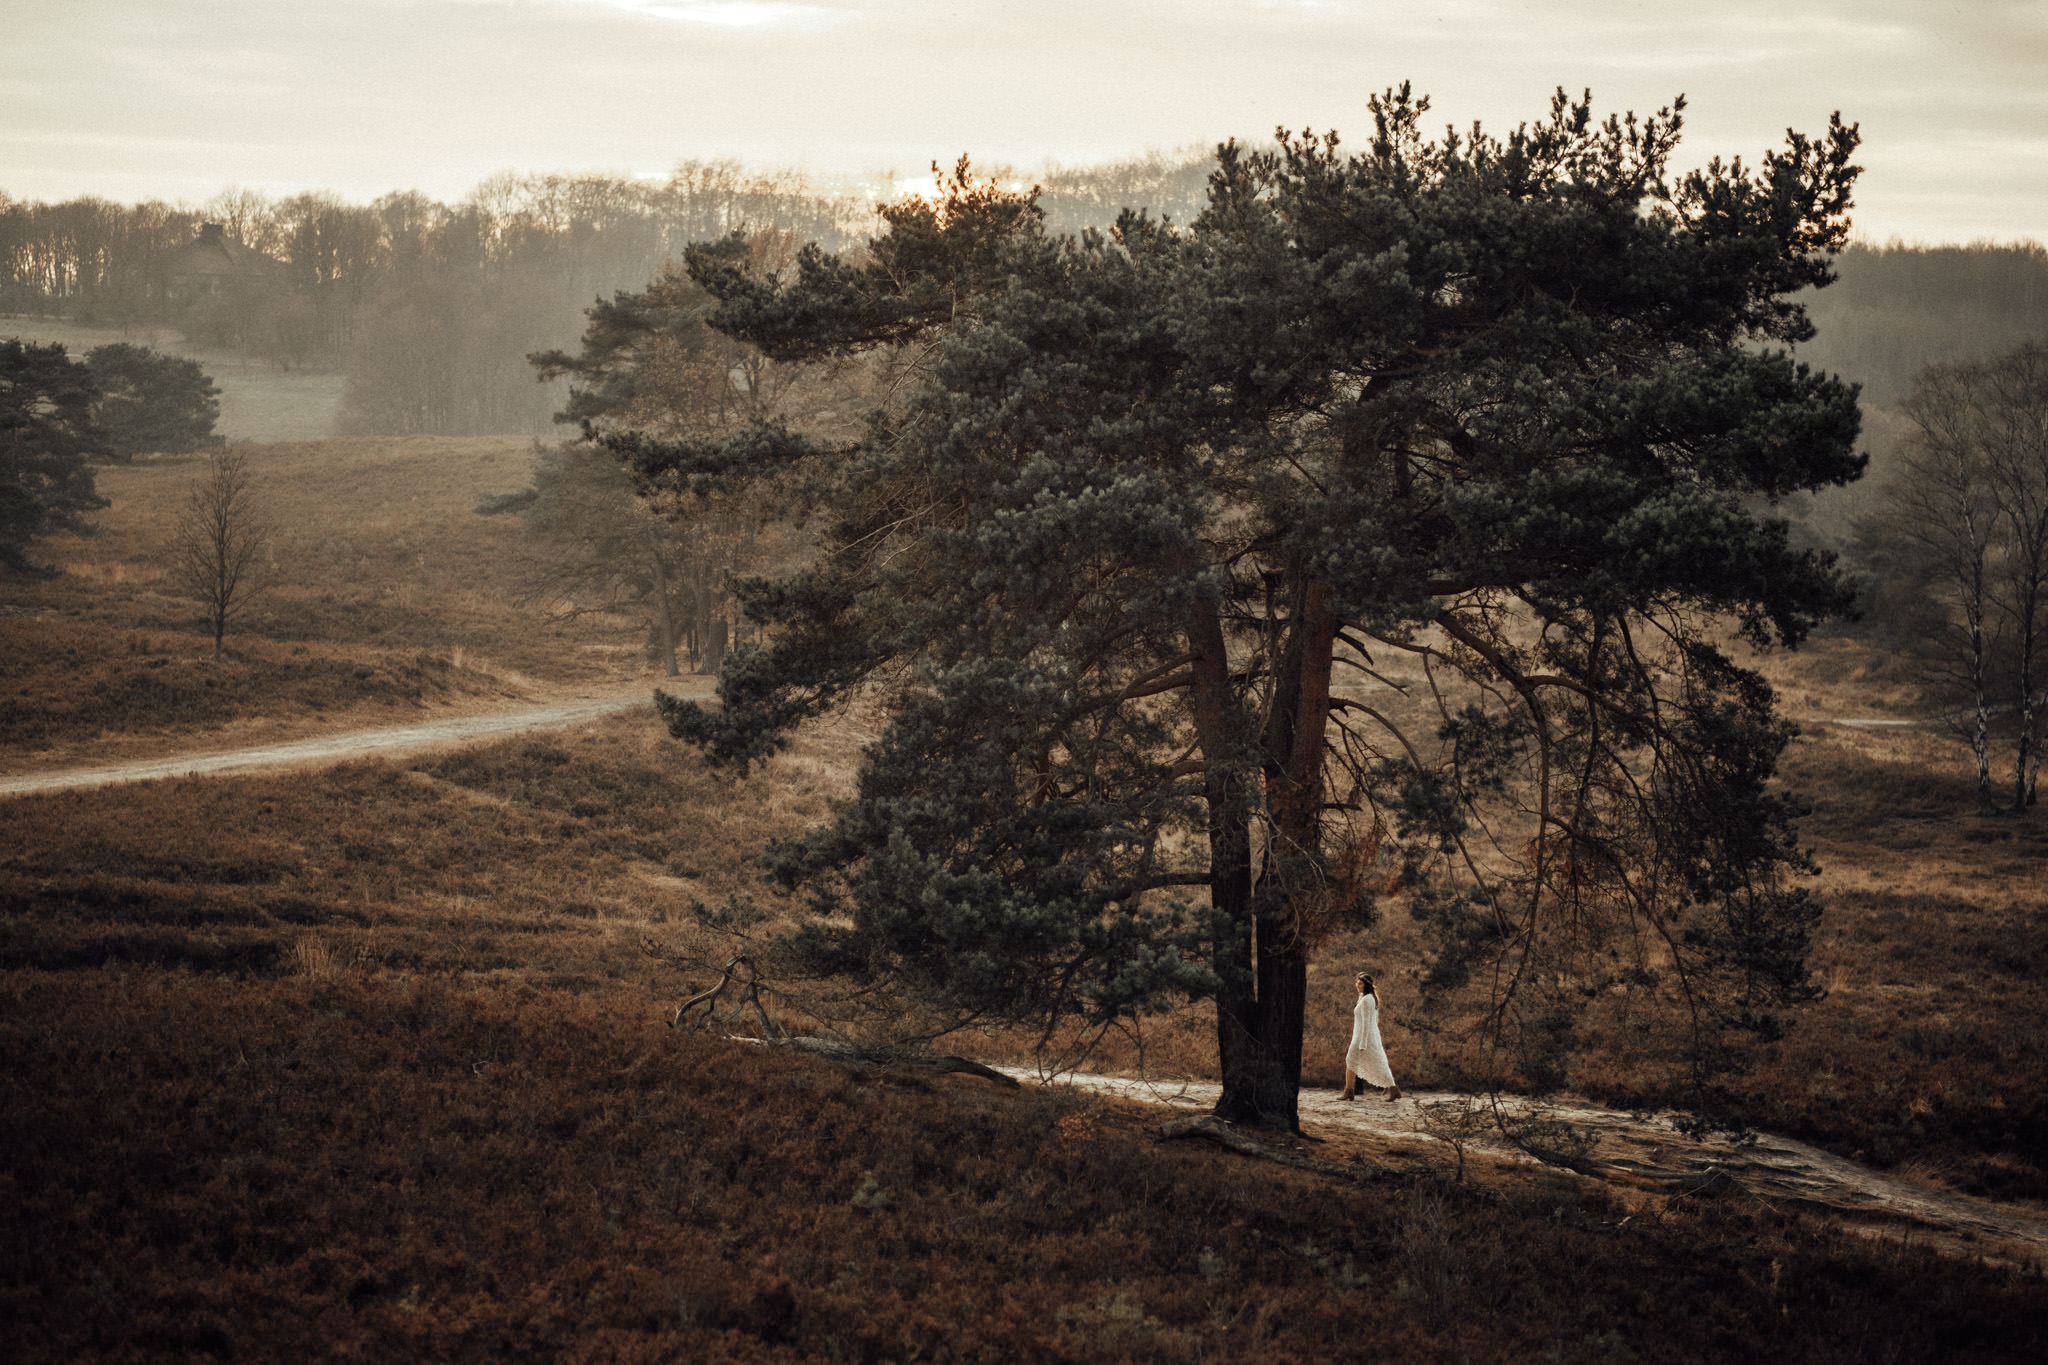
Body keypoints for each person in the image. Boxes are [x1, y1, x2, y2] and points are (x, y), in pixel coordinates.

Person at [1340, 971, 1401, 1102]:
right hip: (1363, 1035)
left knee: (1376, 1062)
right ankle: (1349, 1091)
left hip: (1365, 1037)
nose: (1357, 985)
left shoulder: (1368, 1000)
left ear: (1366, 985)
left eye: (1360, 983)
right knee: (1353, 1061)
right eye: (1357, 983)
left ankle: (1393, 1089)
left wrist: (1363, 1043)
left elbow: (1367, 1023)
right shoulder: (1364, 997)